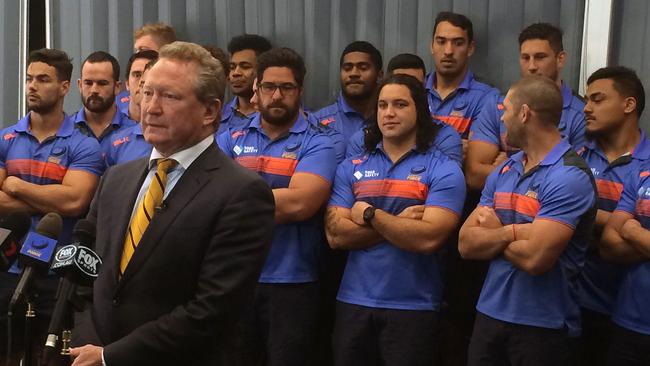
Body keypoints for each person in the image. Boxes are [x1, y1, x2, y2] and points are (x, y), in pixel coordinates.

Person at [69, 41, 275, 366]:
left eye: (170, 96)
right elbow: (84, 277)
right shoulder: (116, 180)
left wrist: (112, 356)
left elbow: (211, 310)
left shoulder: (242, 193)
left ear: (210, 111)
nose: (151, 107)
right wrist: (89, 344)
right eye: (147, 92)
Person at [325, 74, 466, 366]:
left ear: (420, 111)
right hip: (353, 302)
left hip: (414, 305)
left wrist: (369, 214)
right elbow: (336, 235)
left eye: (400, 105)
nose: (389, 113)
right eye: (382, 105)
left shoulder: (444, 169)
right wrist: (398, 223)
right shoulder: (352, 167)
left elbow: (428, 238)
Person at [459, 75, 596, 366]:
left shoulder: (569, 176)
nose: (503, 119)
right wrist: (511, 232)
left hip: (543, 327)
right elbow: (466, 244)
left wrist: (495, 232)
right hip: (489, 314)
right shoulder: (505, 169)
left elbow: (536, 259)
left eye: (506, 111)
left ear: (524, 113)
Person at [217, 47, 337, 365]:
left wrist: (230, 204)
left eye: (286, 88)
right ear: (256, 89)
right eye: (269, 87)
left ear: (299, 90)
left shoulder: (319, 142)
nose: (277, 96)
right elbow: (207, 196)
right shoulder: (230, 137)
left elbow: (299, 204)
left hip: (293, 282)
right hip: (235, 278)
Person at [0, 48, 103, 365]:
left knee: (46, 356)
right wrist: (49, 196)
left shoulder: (84, 144)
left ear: (64, 87)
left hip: (57, 273)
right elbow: (60, 199)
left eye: (43, 79)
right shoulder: (5, 138)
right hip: (8, 267)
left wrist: (16, 185)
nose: (32, 86)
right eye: (29, 79)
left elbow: (74, 202)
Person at [574, 66, 650, 365]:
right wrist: (628, 228)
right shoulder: (574, 159)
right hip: (575, 303)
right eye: (586, 100)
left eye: (598, 99)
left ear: (629, 105)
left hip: (629, 312)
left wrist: (588, 222)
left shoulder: (647, 166)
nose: (587, 109)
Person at [466, 22, 586, 191]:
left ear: (560, 59)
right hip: (492, 208)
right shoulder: (497, 106)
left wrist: (507, 166)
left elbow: (574, 180)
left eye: (540, 57)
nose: (532, 66)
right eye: (525, 58)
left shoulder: (581, 114)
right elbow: (474, 175)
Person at [346, 53, 463, 164]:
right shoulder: (361, 140)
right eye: (399, 82)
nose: (406, 90)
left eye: (414, 85)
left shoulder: (445, 137)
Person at [601, 154, 650, 366]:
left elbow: (623, 229)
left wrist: (634, 233)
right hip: (629, 322)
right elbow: (608, 244)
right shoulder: (643, 172)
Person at [425, 11, 496, 151]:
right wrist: (454, 146)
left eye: (458, 43)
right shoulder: (413, 92)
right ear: (432, 46)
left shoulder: (487, 98)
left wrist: (423, 145)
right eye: (441, 42)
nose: (448, 51)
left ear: (470, 48)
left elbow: (476, 157)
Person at [313, 41, 383, 144]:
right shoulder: (317, 123)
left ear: (380, 75)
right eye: (347, 68)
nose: (354, 73)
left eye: (363, 68)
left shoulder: (391, 118)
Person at [74, 51, 136, 162]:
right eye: (88, 83)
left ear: (117, 87)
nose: (94, 90)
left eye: (102, 83)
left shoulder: (134, 132)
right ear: (80, 85)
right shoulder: (65, 130)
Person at [115, 22, 177, 113]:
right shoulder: (117, 103)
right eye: (136, 50)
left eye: (143, 50)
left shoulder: (174, 99)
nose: (137, 55)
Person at [219, 34, 272, 134]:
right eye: (232, 67)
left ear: (263, 70)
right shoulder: (218, 116)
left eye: (245, 67)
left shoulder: (276, 118)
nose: (236, 73)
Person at [123, 50, 159, 121]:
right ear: (127, 83)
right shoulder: (111, 123)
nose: (142, 82)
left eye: (150, 75)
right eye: (137, 75)